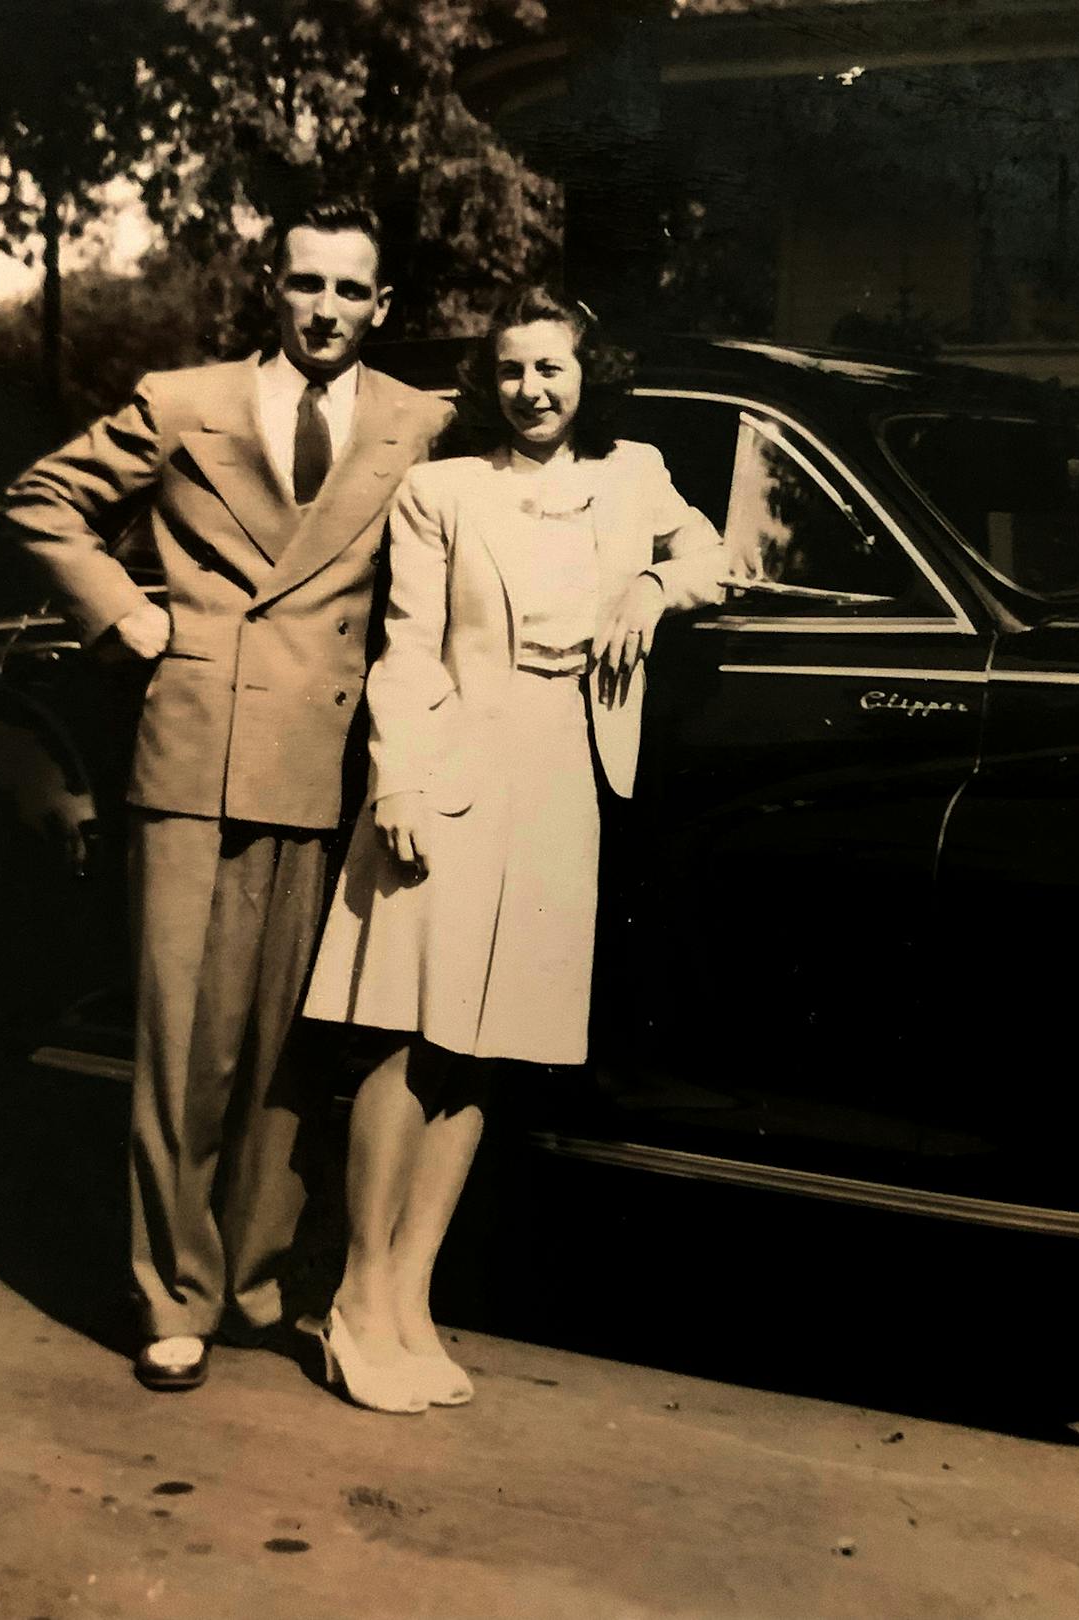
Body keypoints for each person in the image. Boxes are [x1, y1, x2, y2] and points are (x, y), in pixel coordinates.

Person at [0, 199, 451, 1392]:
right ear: (272, 285)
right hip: (196, 749)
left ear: (382, 306)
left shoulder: (420, 422)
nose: (327, 310)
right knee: (179, 1041)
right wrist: (130, 614)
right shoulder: (184, 399)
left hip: (326, 757)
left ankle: (250, 1279)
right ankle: (172, 1294)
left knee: (283, 1046)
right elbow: (43, 502)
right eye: (306, 284)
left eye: (352, 292)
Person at [301, 287, 726, 1412]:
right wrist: (396, 775)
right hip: (450, 769)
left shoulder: (632, 475)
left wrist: (648, 581)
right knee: (410, 1036)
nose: (533, 390)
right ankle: (352, 1302)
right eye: (513, 371)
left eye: (553, 368)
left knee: (486, 1047)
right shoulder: (442, 490)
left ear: (591, 374)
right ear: (486, 383)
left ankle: (409, 1299)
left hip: (561, 780)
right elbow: (408, 649)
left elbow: (720, 556)